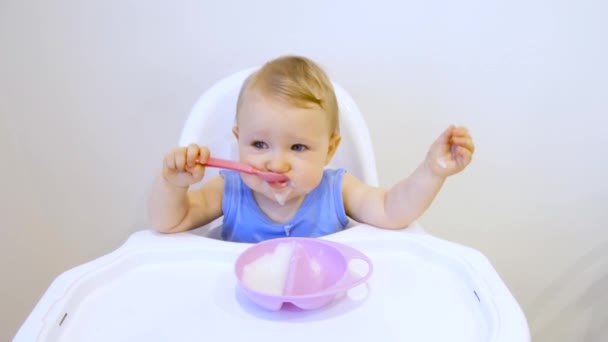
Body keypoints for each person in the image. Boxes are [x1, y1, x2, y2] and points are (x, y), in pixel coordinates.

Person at [148, 55, 475, 242]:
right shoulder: (229, 190)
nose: (276, 163)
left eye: (299, 147)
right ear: (238, 139)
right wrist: (172, 185)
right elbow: (171, 222)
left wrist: (432, 171)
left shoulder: (337, 190)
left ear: (330, 149)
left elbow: (392, 210)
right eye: (259, 144)